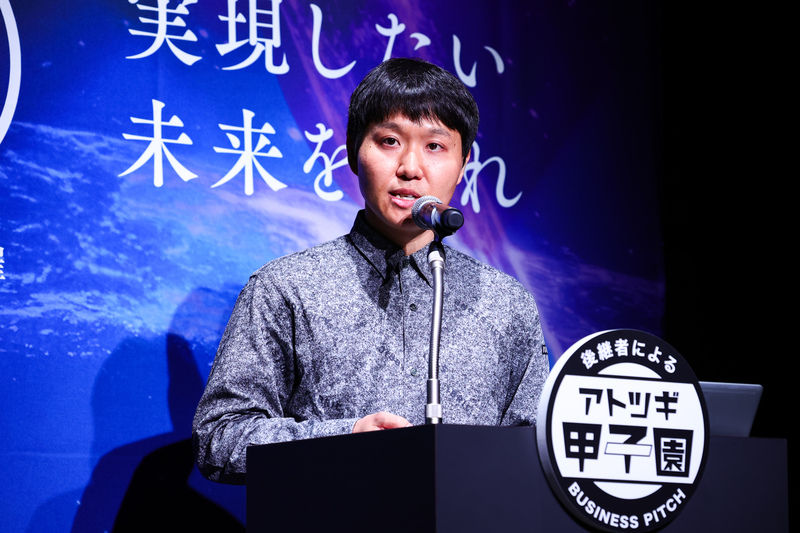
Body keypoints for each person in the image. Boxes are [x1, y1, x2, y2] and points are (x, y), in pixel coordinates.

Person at [193, 57, 549, 484]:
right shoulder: (286, 287)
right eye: (389, 141)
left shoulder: (506, 303)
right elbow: (220, 438)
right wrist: (345, 441)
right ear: (352, 151)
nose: (410, 168)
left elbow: (537, 455)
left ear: (463, 165)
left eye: (435, 146)